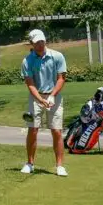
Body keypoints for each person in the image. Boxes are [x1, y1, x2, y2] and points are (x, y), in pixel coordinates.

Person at [21, 29, 68, 176]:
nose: (40, 45)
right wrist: (40, 99)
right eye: (37, 43)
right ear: (32, 44)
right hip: (36, 97)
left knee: (56, 131)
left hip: (55, 96)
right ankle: (30, 163)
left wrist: (52, 95)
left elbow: (61, 78)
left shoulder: (57, 56)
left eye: (42, 41)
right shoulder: (27, 61)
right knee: (33, 130)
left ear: (44, 41)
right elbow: (30, 83)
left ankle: (60, 166)